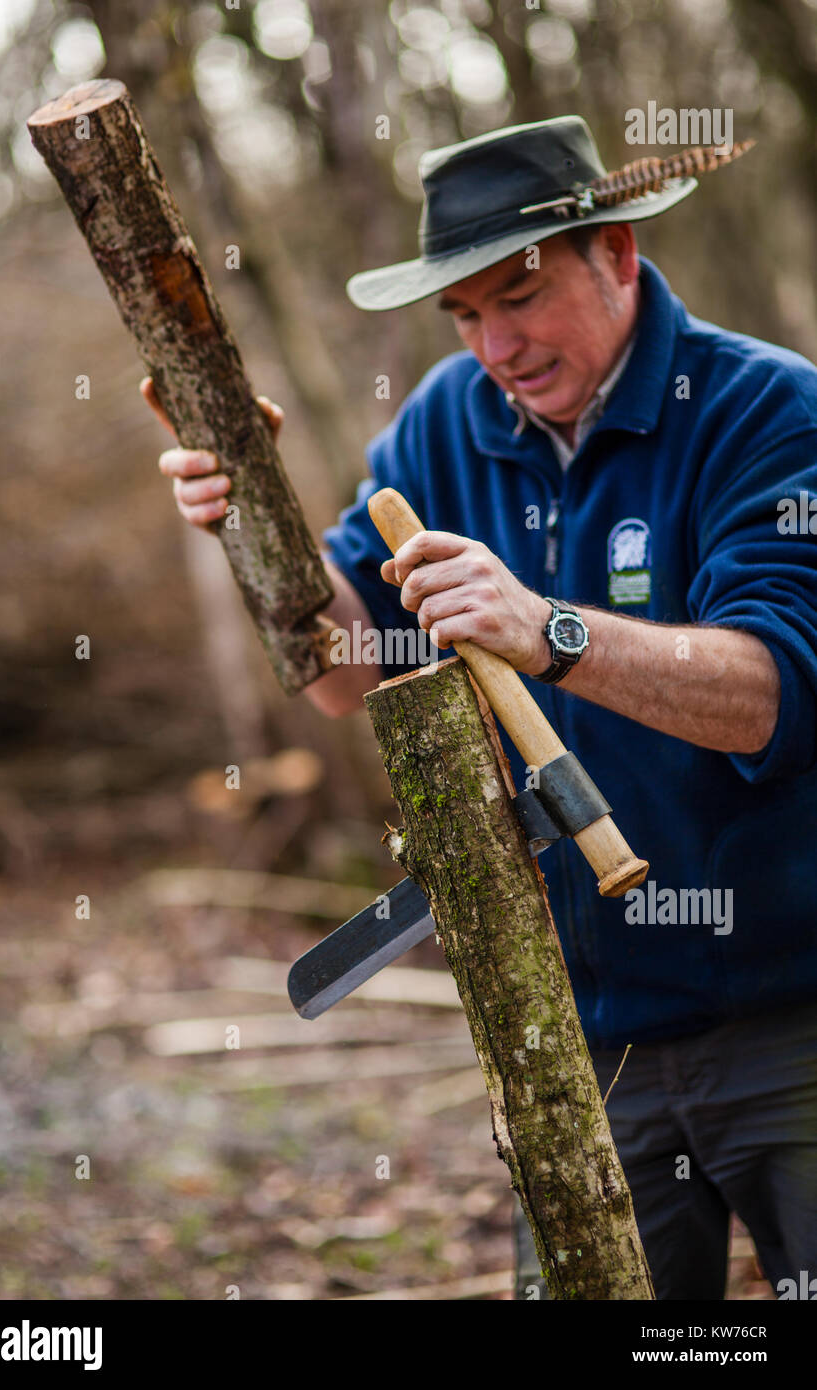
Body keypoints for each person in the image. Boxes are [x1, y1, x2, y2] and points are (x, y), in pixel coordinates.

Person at [142, 118, 817, 1301]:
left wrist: (546, 628)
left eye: (520, 295)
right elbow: (345, 665)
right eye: (462, 314)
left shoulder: (766, 412)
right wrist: (247, 508)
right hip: (577, 1037)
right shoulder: (443, 426)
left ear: (614, 254)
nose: (494, 344)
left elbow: (771, 693)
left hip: (789, 1018)